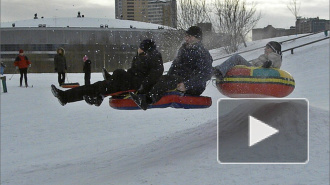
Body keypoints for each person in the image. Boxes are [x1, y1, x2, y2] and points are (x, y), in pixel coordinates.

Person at [51, 39, 164, 106]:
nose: (138, 51)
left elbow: (154, 76)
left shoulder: (154, 58)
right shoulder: (141, 57)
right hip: (128, 80)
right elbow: (133, 71)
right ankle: (66, 96)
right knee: (99, 85)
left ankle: (68, 97)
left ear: (147, 50)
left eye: (141, 49)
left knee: (98, 88)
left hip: (132, 84)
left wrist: (142, 88)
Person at [130, 26, 213, 110]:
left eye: (190, 36)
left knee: (166, 80)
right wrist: (166, 78)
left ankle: (146, 101)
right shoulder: (183, 49)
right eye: (186, 36)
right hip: (180, 79)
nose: (187, 38)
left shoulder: (202, 52)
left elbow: (207, 73)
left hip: (194, 86)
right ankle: (140, 94)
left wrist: (187, 85)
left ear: (198, 38)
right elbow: (174, 66)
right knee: (160, 79)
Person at [213, 41, 282, 80]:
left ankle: (218, 71)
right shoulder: (267, 55)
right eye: (265, 47)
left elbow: (273, 64)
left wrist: (268, 65)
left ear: (274, 49)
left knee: (237, 58)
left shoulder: (275, 55)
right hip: (254, 69)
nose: (265, 49)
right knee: (235, 64)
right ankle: (217, 70)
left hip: (256, 71)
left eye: (268, 48)